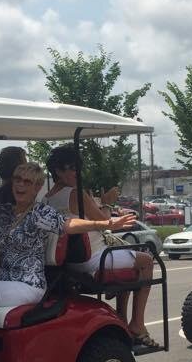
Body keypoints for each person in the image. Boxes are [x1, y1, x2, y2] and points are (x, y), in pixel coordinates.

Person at [0, 149, 137, 312]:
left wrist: (104, 224)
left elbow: (68, 224)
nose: (20, 185)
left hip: (27, 283)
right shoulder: (5, 211)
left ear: (37, 187)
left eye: (27, 182)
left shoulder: (39, 212)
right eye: (17, 180)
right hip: (3, 280)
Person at [44, 145, 158, 347]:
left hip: (71, 261)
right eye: (72, 168)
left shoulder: (49, 197)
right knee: (147, 261)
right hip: (93, 258)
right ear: (58, 171)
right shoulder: (76, 193)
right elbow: (104, 221)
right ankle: (137, 324)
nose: (77, 173)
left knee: (128, 260)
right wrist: (108, 203)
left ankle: (122, 320)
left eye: (78, 168)